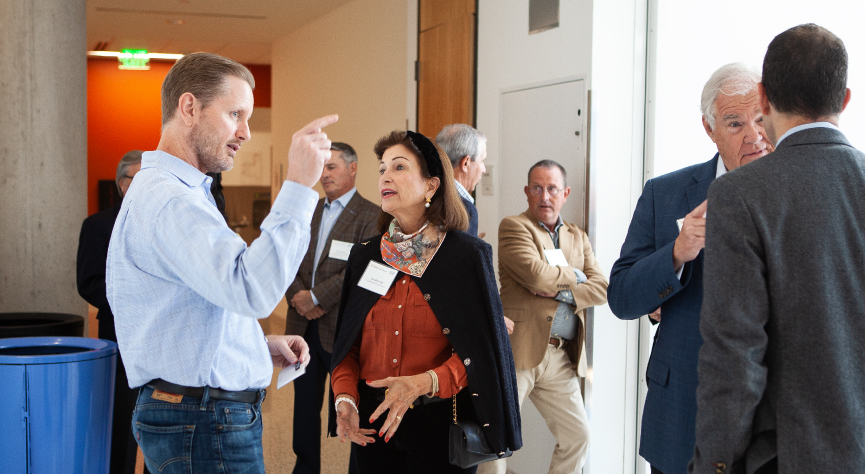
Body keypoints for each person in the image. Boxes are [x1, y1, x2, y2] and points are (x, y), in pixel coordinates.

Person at [106, 52, 335, 473]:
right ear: (189, 107)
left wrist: (256, 346)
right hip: (203, 419)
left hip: (197, 414)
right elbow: (252, 290)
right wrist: (300, 186)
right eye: (235, 114)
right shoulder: (170, 198)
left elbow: (190, 309)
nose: (246, 133)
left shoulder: (181, 192)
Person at [691, 24, 862, 473]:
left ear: (763, 99)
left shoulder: (742, 193)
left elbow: (734, 356)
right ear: (844, 99)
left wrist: (714, 465)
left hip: (787, 455)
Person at [607, 63, 772, 474]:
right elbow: (622, 296)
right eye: (735, 124)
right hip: (682, 409)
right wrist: (677, 253)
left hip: (772, 417)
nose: (754, 136)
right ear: (709, 128)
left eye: (760, 119)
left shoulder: (798, 191)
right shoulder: (666, 194)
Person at [328, 130, 521, 473]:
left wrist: (421, 383)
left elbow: (482, 352)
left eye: (399, 167)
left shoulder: (466, 256)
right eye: (382, 168)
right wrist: (345, 397)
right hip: (373, 425)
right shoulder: (366, 257)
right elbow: (348, 346)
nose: (386, 176)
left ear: (431, 186)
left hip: (440, 428)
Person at [480, 160, 607, 474]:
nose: (544, 196)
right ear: (527, 192)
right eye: (537, 188)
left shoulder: (578, 236)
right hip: (517, 348)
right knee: (499, 440)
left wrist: (561, 287)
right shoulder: (514, 226)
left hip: (560, 354)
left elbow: (602, 288)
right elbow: (536, 277)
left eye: (552, 189)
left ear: (564, 193)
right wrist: (576, 278)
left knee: (578, 436)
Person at [285, 141, 378, 474]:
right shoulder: (308, 210)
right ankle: (305, 468)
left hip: (340, 329)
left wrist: (316, 298)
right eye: (322, 167)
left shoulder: (371, 215)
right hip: (301, 327)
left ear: (353, 168)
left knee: (349, 403)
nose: (324, 175)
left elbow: (359, 271)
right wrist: (299, 296)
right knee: (304, 408)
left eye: (332, 166)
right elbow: (288, 256)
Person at [76, 150, 146, 474]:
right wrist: (130, 297)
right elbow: (88, 283)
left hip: (161, 346)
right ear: (122, 183)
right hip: (119, 344)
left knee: (161, 430)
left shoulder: (162, 224)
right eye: (139, 177)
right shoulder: (97, 225)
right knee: (122, 432)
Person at [435, 124, 487, 237]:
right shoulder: (464, 210)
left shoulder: (425, 197)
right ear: (465, 163)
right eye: (482, 161)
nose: (484, 170)